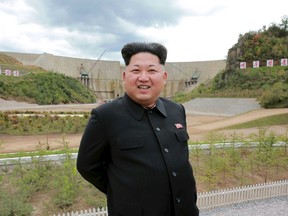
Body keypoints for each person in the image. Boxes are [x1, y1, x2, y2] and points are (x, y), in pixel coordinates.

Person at [77, 42, 199, 216]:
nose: (143, 77)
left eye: (151, 70)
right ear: (125, 76)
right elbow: (87, 166)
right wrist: (122, 191)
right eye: (136, 71)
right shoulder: (105, 116)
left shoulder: (177, 110)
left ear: (164, 77)